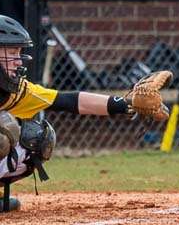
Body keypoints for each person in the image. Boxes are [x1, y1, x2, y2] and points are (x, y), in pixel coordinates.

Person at [0, 15, 169, 213]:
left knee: (38, 139)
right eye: (12, 52)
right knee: (4, 129)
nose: (18, 61)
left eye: (19, 52)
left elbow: (69, 101)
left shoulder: (13, 90)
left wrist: (126, 104)